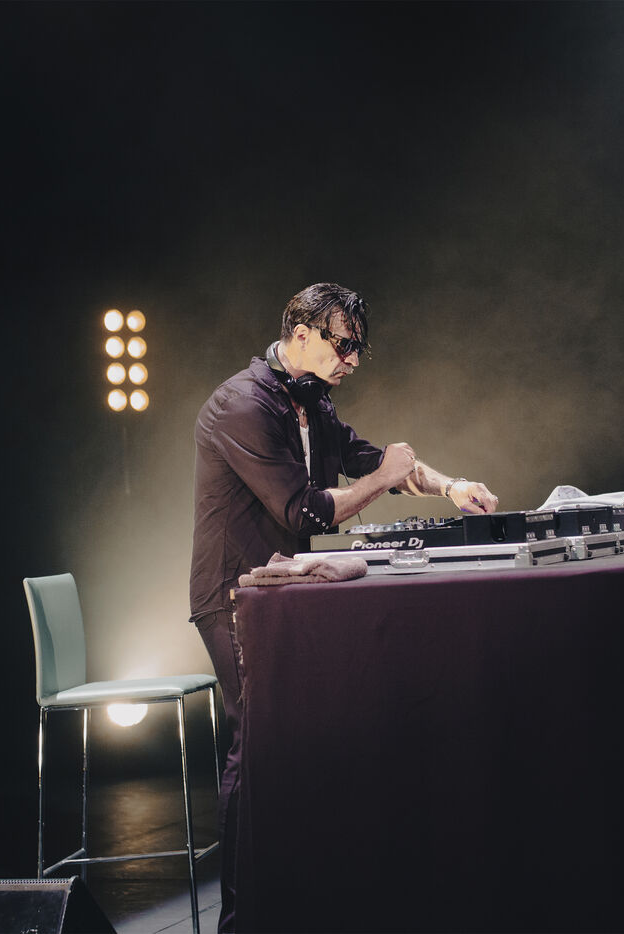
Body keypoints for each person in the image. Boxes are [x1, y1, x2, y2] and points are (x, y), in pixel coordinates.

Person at [188, 282, 499, 931]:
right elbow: (304, 511)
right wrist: (384, 478)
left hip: (283, 591)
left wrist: (451, 486)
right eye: (343, 344)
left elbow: (371, 460)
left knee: (298, 741)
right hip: (235, 593)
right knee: (256, 744)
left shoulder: (311, 402)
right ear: (300, 333)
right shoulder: (241, 404)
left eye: (359, 348)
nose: (353, 360)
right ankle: (239, 920)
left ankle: (295, 901)